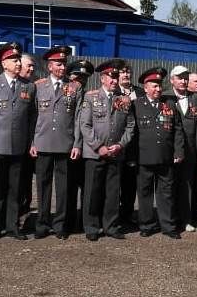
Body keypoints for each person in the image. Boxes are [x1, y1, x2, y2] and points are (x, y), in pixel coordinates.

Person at [0, 42, 36, 240]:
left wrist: (29, 141)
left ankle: (13, 226)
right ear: (4, 63)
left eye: (18, 59)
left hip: (19, 145)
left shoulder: (28, 86)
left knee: (16, 188)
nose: (18, 63)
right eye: (14, 60)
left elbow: (31, 116)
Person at [77, 59, 135, 241]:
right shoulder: (91, 97)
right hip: (95, 154)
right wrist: (98, 146)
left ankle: (110, 225)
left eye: (116, 77)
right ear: (102, 78)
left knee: (112, 192)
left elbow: (130, 126)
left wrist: (120, 145)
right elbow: (85, 125)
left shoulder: (124, 99)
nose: (114, 80)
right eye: (111, 77)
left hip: (116, 153)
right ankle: (92, 226)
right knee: (93, 191)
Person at [30, 45, 82, 239]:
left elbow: (78, 118)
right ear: (49, 66)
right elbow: (33, 116)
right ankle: (42, 224)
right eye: (58, 64)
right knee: (43, 185)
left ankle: (60, 225)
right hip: (42, 142)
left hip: (65, 144)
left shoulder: (75, 87)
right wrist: (32, 142)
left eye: (64, 63)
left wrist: (77, 144)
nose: (62, 67)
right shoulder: (38, 86)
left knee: (63, 187)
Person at [133, 67, 185, 238]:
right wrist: (132, 157)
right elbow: (133, 132)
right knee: (145, 193)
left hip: (165, 157)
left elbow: (177, 130)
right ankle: (147, 225)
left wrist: (178, 152)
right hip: (144, 157)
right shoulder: (137, 105)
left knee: (166, 193)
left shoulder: (168, 105)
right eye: (154, 86)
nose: (158, 89)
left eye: (159, 85)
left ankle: (168, 226)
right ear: (145, 87)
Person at [170, 65, 197, 232]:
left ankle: (186, 219)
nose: (183, 81)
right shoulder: (166, 99)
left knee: (187, 186)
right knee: (169, 186)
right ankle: (169, 219)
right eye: (179, 78)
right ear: (172, 80)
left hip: (191, 151)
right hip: (170, 152)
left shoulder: (196, 99)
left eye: (185, 78)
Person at [65, 59, 94, 233]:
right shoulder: (66, 93)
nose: (80, 81)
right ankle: (68, 223)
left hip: (88, 148)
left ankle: (85, 222)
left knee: (87, 188)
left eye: (84, 77)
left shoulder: (90, 95)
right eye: (77, 77)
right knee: (68, 187)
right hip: (70, 146)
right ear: (70, 76)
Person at [117, 62, 143, 228]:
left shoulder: (140, 92)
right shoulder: (114, 91)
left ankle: (127, 213)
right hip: (118, 143)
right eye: (122, 73)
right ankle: (114, 214)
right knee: (114, 182)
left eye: (128, 72)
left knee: (130, 183)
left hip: (135, 145)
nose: (126, 75)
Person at [17, 52, 37, 227]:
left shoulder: (33, 88)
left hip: (27, 144)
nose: (31, 69)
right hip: (7, 144)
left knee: (25, 182)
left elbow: (35, 117)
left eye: (33, 66)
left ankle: (23, 215)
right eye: (28, 65)